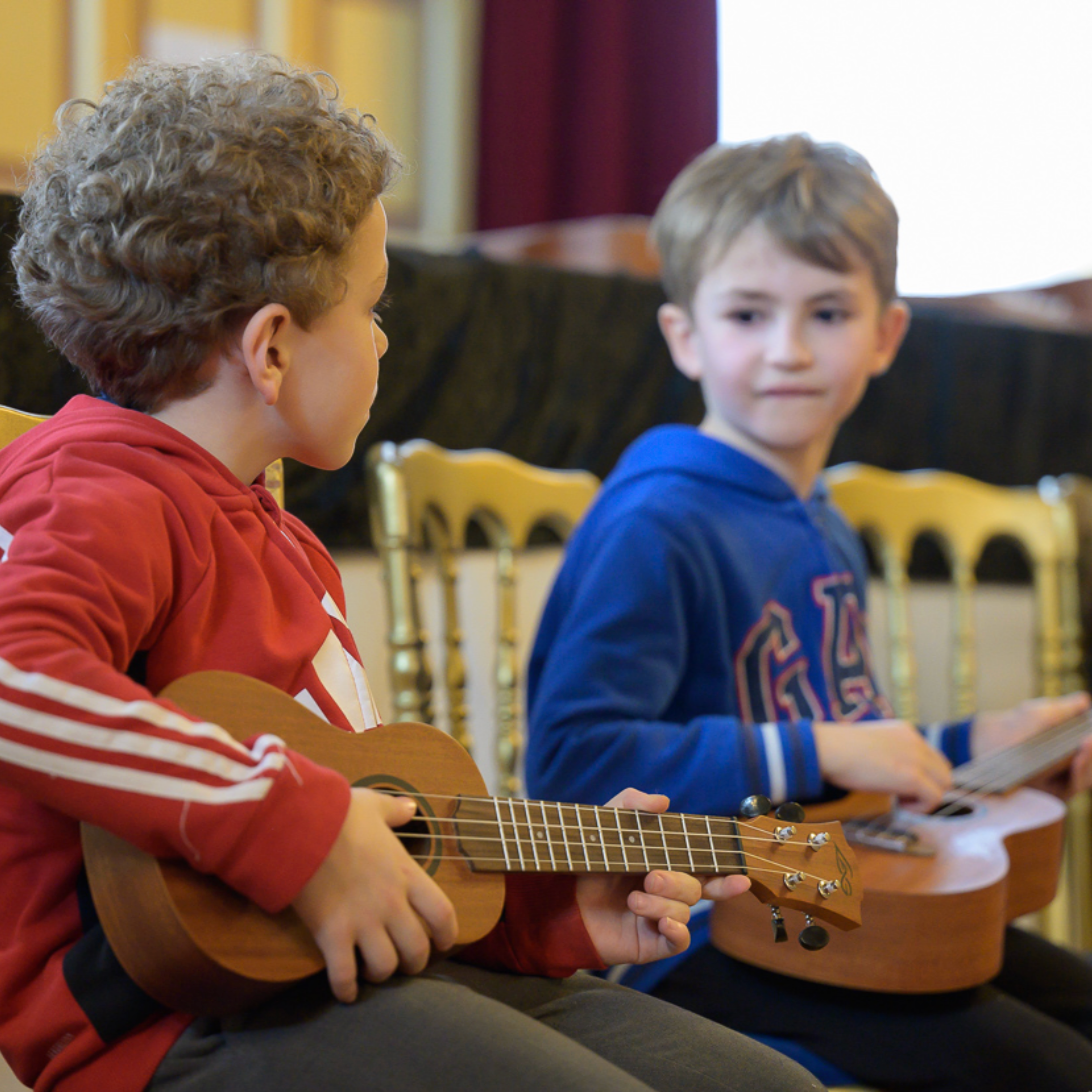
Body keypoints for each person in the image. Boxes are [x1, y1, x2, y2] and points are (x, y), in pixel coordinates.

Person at [0, 56, 823, 1092]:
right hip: (174, 1027)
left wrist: (557, 907)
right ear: (271, 352)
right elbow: (14, 684)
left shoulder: (287, 547)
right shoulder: (92, 488)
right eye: (373, 309)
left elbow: (369, 846)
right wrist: (287, 828)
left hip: (318, 984)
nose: (384, 344)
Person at [525, 134, 1092, 1091]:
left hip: (828, 903)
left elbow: (849, 764)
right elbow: (574, 766)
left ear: (885, 335)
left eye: (827, 312)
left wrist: (974, 741)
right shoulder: (657, 517)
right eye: (748, 313)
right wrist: (819, 749)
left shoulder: (819, 517)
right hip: (696, 941)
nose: (787, 349)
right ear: (685, 334)